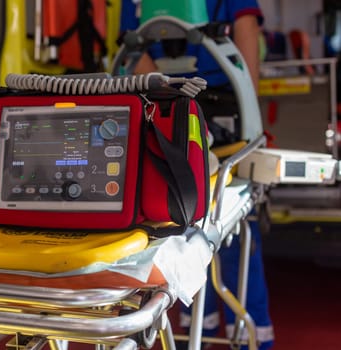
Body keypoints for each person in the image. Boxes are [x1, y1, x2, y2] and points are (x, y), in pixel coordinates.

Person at [119, 1, 274, 349]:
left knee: (206, 227)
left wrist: (244, 102)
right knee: (202, 228)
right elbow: (132, 48)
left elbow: (246, 29)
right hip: (188, 105)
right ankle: (211, 329)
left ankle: (232, 332)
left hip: (197, 105)